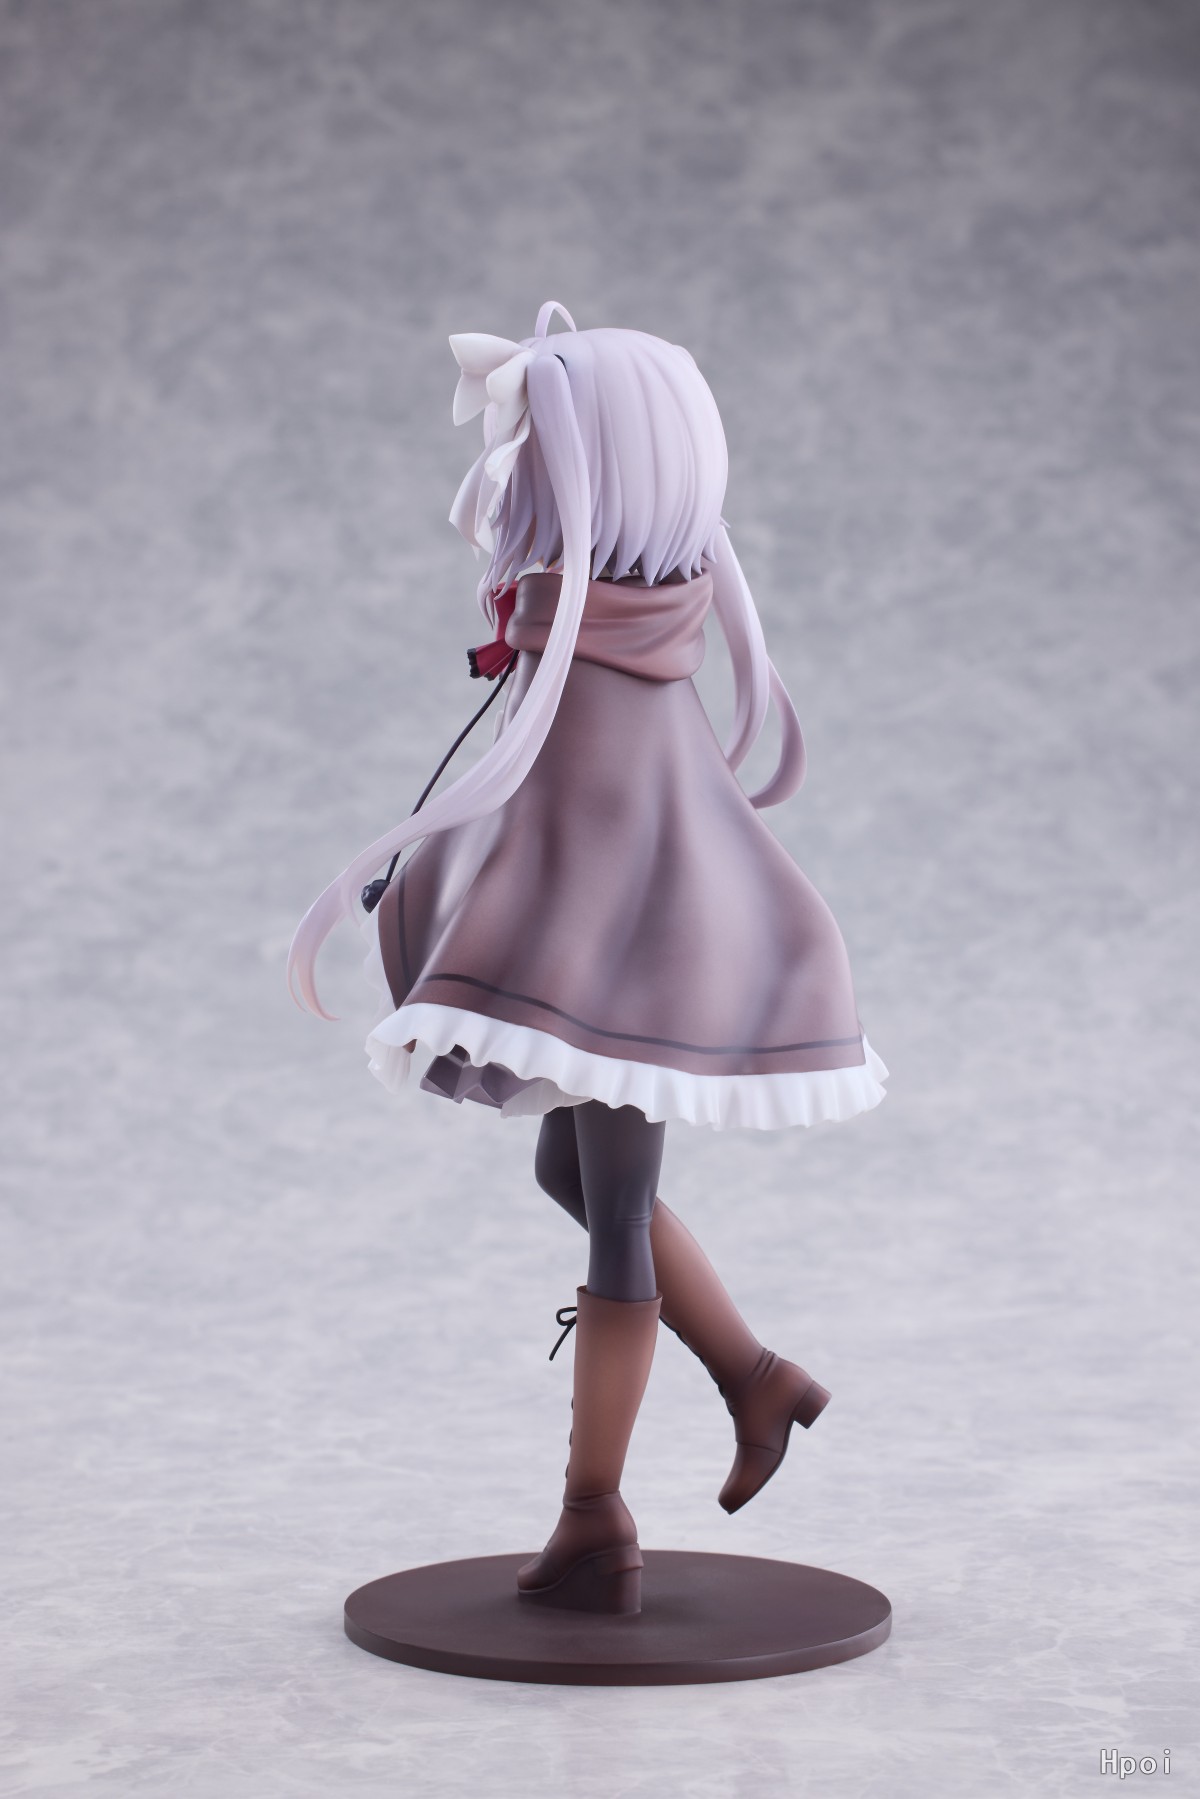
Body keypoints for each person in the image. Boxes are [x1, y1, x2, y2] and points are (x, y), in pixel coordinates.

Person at [288, 301, 888, 1616]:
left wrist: (414, 889)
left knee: (612, 1209)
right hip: (639, 943)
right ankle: (756, 1380)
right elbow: (531, 807)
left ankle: (594, 1514)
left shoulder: (579, 633)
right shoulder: (641, 609)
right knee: (570, 1171)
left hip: (624, 962)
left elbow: (538, 815)